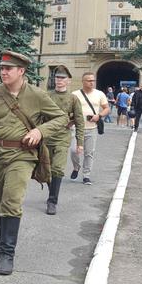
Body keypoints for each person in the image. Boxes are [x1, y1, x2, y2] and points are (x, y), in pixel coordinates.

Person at [0, 51, 67, 275]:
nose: (3, 72)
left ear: (21, 71)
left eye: (8, 69)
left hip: (22, 156)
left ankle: (7, 254)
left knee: (11, 200)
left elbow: (61, 118)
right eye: (2, 68)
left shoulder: (37, 95)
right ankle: (3, 237)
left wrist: (39, 131)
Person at [45, 66, 85, 215]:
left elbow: (80, 121)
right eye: (57, 78)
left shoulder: (73, 99)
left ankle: (52, 201)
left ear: (68, 81)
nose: (59, 81)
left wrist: (80, 143)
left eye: (62, 78)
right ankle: (52, 193)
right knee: (47, 170)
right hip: (46, 137)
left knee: (58, 168)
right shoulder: (47, 96)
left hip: (62, 137)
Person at [70, 72, 110, 185]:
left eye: (93, 80)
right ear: (83, 81)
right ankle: (76, 167)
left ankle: (86, 175)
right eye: (89, 80)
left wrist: (99, 116)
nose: (91, 82)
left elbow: (107, 108)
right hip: (76, 128)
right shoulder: (75, 94)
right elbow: (69, 109)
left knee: (89, 153)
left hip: (91, 128)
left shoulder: (99, 94)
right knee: (74, 151)